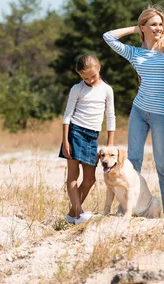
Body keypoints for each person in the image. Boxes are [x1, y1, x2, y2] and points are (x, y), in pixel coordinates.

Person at [103, 5, 164, 218]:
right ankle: (126, 209)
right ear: (143, 26)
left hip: (162, 113)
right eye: (153, 24)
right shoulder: (135, 53)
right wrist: (135, 29)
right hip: (139, 111)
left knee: (163, 164)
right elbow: (108, 37)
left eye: (161, 24)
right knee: (131, 161)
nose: (159, 28)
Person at [60, 54, 115, 224]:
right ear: (80, 76)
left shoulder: (107, 90)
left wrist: (110, 143)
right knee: (73, 176)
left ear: (98, 69)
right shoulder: (77, 89)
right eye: (85, 78)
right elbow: (67, 115)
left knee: (90, 179)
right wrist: (66, 141)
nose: (90, 80)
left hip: (93, 136)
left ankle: (71, 215)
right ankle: (78, 214)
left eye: (93, 76)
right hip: (75, 132)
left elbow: (111, 116)